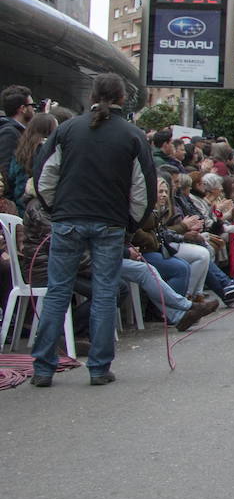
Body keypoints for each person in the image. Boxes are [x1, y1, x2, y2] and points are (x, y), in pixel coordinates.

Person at [29, 73, 157, 387]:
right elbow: (143, 190)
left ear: (91, 96)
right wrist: (130, 224)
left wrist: (55, 209)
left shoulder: (67, 130)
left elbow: (44, 176)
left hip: (68, 219)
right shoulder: (133, 135)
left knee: (58, 292)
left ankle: (43, 367)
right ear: (123, 99)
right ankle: (99, 368)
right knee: (104, 293)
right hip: (110, 222)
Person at [7, 111, 57, 211]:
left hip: (20, 206)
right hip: (41, 208)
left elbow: (11, 179)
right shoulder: (49, 152)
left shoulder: (21, 152)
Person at [0, 85, 35, 188]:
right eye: (32, 105)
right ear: (23, 109)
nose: (34, 109)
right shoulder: (9, 132)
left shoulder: (18, 131)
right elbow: (4, 170)